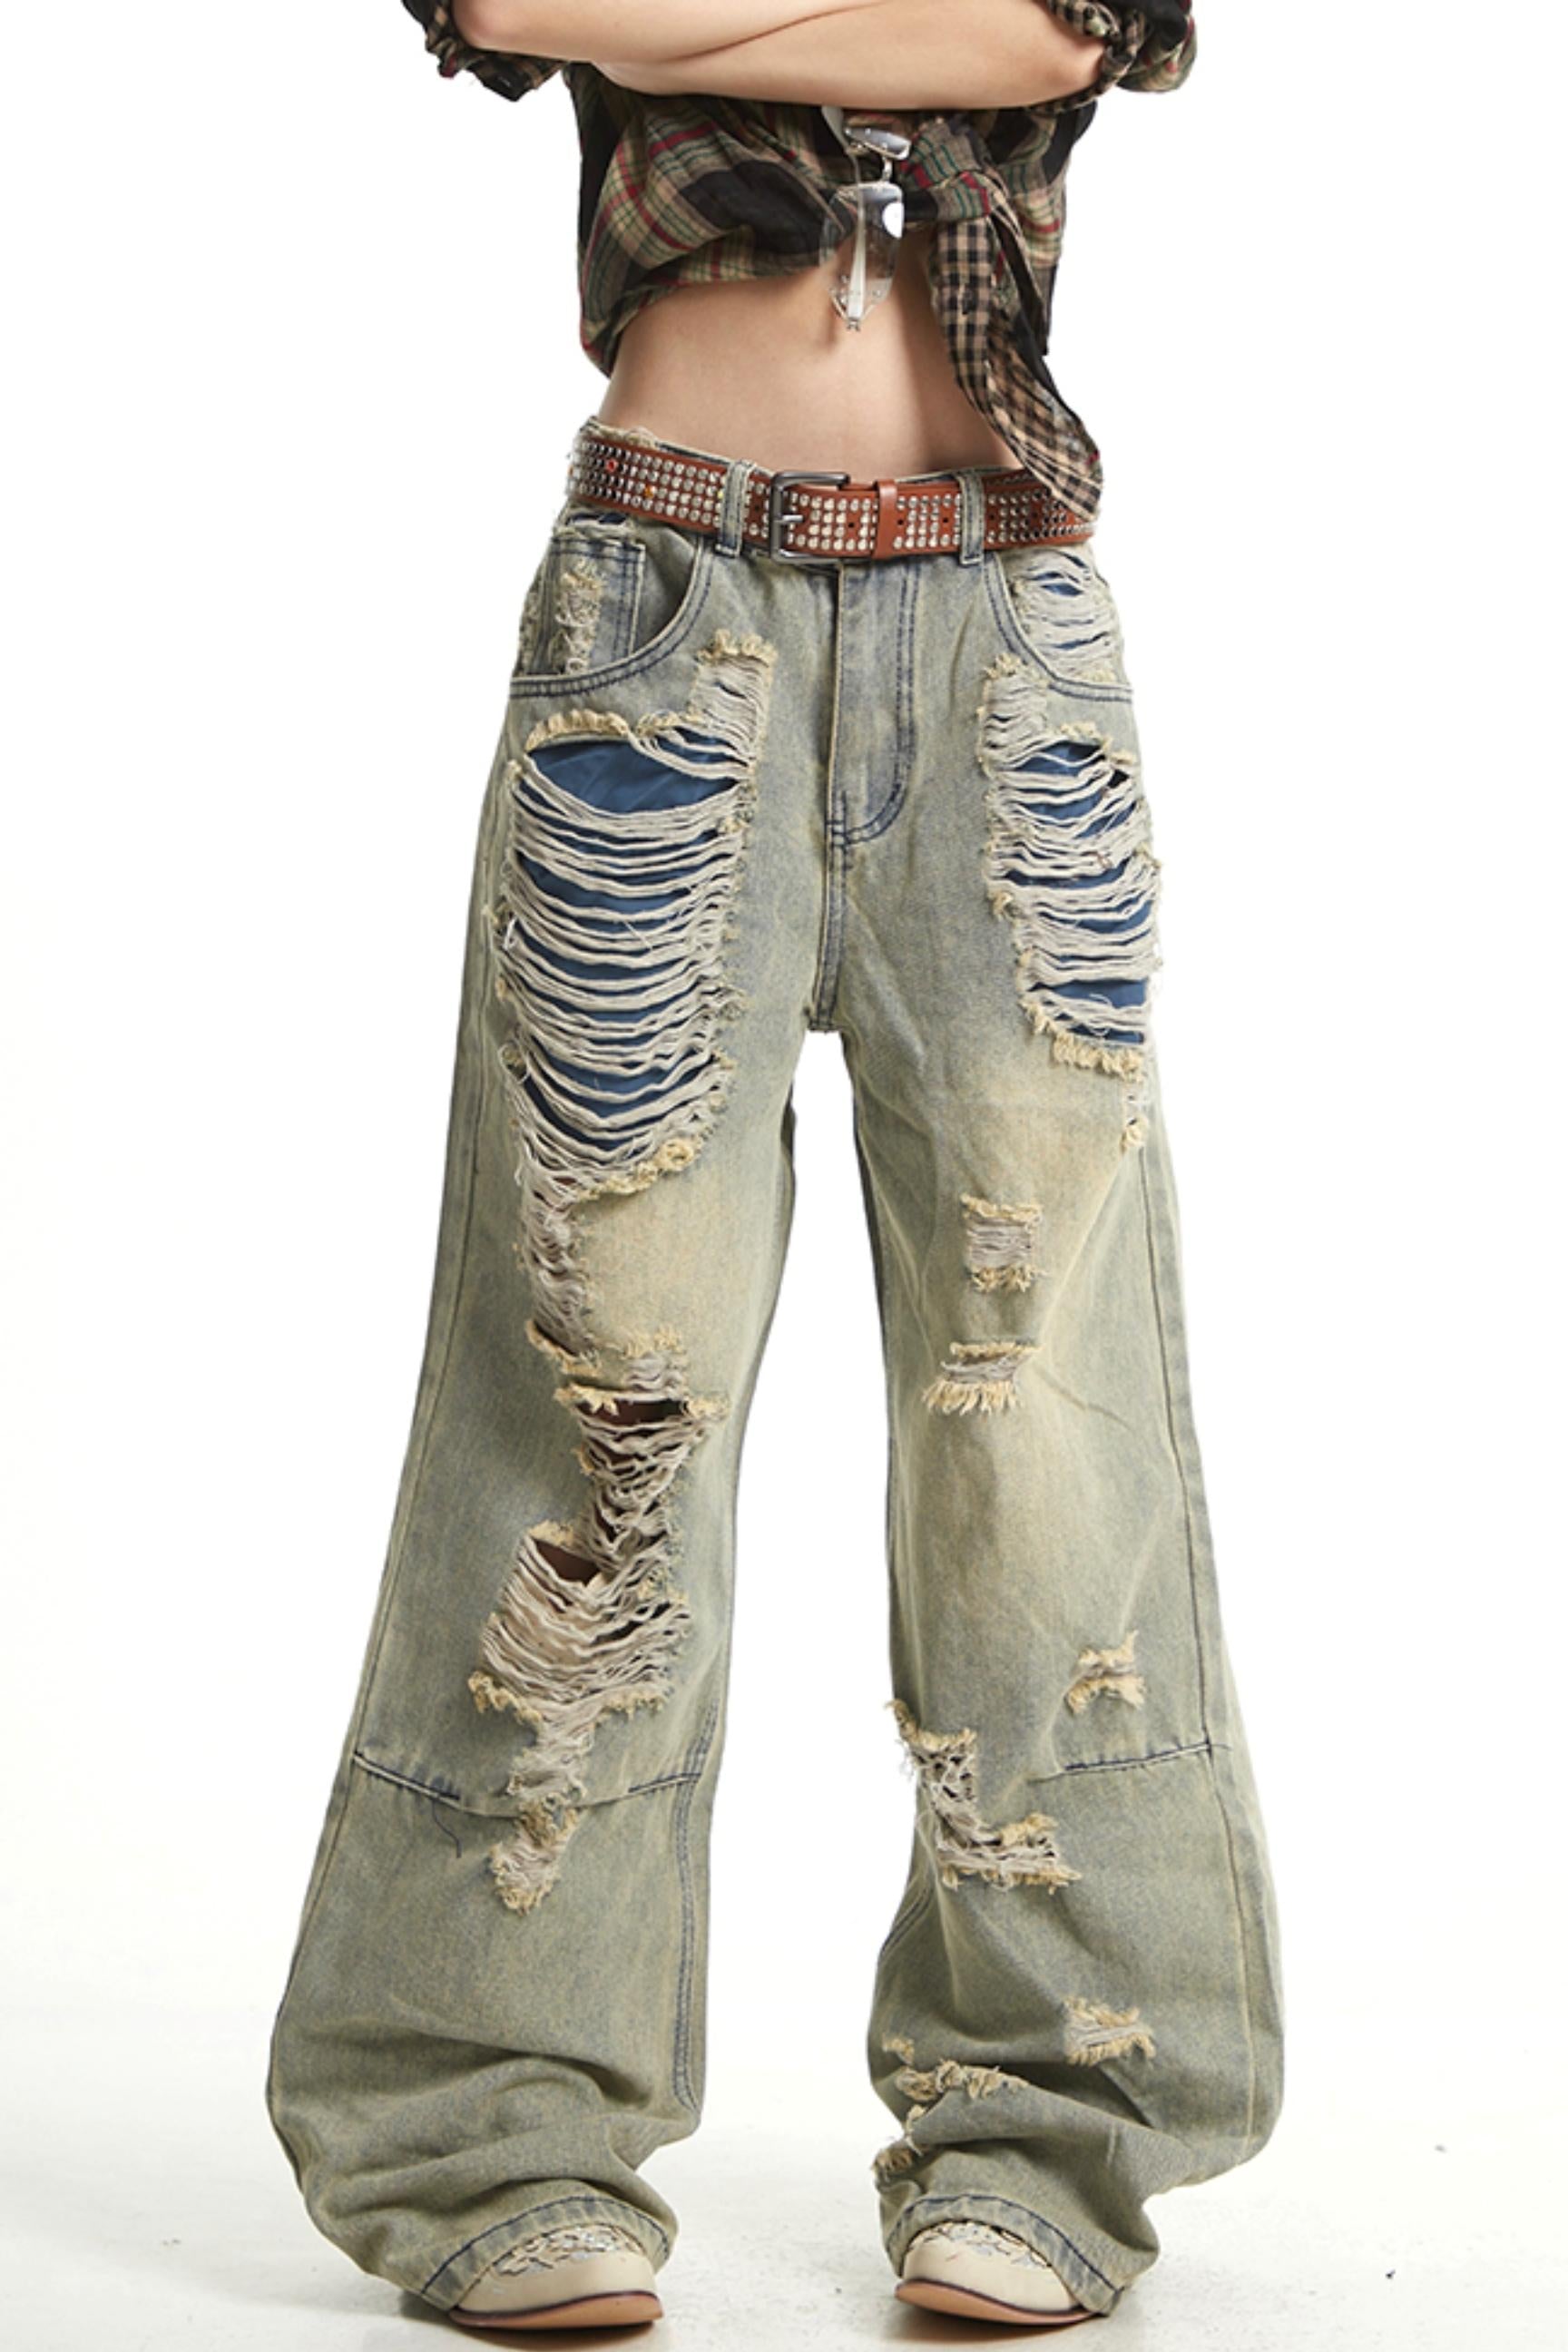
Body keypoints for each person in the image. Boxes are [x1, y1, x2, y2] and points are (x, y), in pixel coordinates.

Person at [266, 1, 1285, 2331]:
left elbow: (1072, 26)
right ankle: (484, 2116)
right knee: (595, 1366)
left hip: (1003, 622)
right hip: (662, 600)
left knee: (1038, 1403)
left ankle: (1054, 2120)